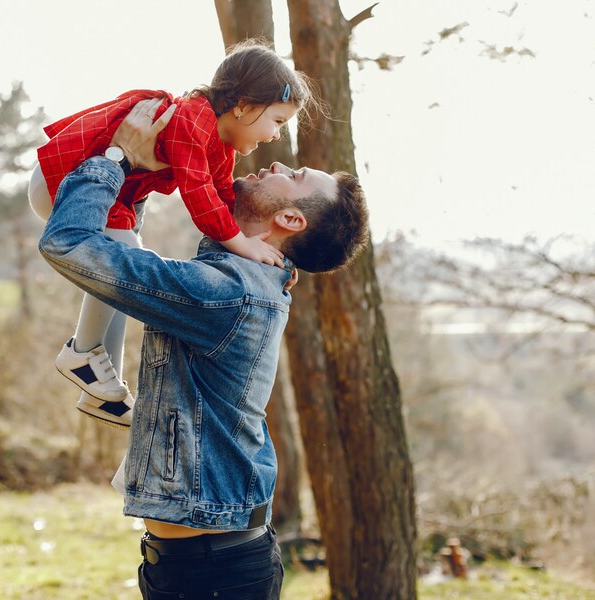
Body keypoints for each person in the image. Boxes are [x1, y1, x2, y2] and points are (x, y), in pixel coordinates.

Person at [38, 100, 370, 599]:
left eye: (295, 174)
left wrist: (114, 160)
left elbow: (70, 244)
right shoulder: (242, 280)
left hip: (212, 571)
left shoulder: (227, 292)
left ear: (289, 218)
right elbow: (124, 244)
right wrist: (143, 173)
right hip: (196, 561)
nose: (277, 159)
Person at [28, 40, 318, 429]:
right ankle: (81, 353)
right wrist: (241, 243)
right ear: (244, 106)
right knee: (126, 257)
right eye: (278, 121)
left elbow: (223, 196)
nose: (277, 136)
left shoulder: (220, 144)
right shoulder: (194, 120)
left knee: (123, 270)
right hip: (68, 182)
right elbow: (198, 195)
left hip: (108, 194)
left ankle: (100, 381)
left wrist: (274, 256)